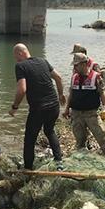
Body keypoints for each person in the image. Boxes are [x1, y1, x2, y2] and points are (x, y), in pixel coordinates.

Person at [9, 43, 66, 171]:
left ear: (20, 53)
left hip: (39, 109)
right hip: (54, 106)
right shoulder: (43, 61)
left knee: (29, 139)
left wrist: (15, 107)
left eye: (15, 56)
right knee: (49, 131)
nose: (16, 59)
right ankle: (59, 161)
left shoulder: (20, 66)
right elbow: (58, 77)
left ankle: (28, 168)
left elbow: (22, 89)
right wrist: (61, 94)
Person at [64, 53, 105, 154]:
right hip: (76, 114)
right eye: (74, 65)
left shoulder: (96, 77)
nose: (75, 67)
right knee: (79, 140)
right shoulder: (74, 77)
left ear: (84, 64)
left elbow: (102, 93)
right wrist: (67, 109)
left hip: (91, 114)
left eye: (77, 65)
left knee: (102, 137)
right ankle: (82, 156)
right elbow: (71, 94)